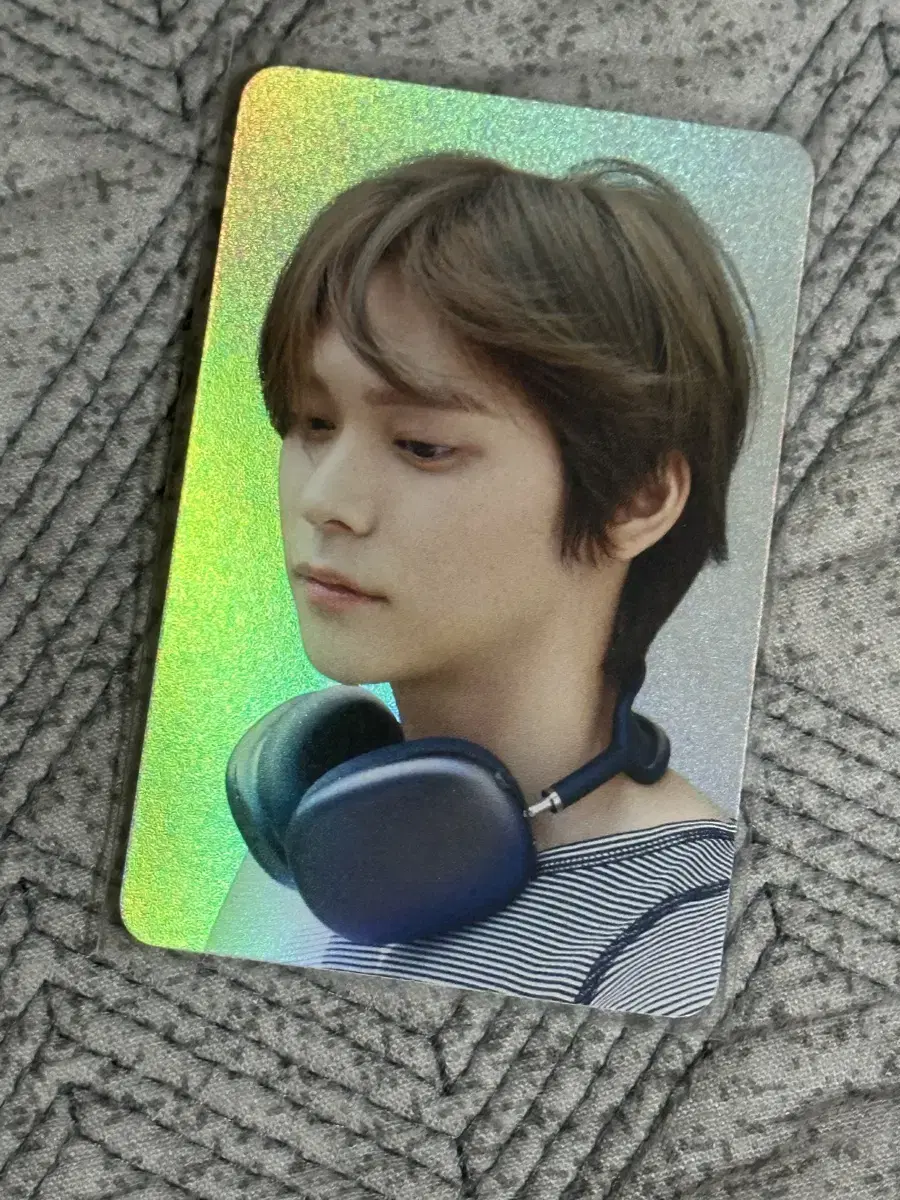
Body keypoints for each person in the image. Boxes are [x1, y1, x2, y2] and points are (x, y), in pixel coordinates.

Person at [253, 151, 757, 1016]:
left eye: (422, 445)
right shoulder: (321, 858)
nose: (325, 500)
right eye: (314, 423)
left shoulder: (681, 955)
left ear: (637, 498)